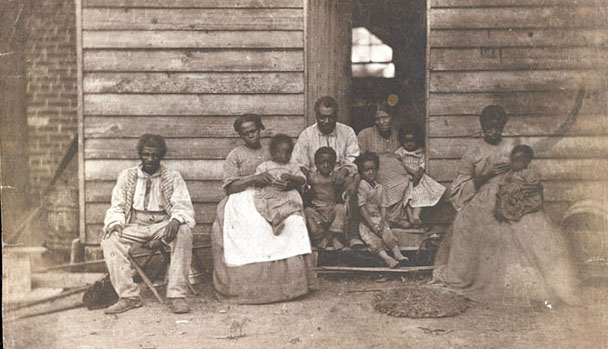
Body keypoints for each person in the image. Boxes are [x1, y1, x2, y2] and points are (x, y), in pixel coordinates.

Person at [432, 105, 581, 306]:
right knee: (468, 226)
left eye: (498, 127)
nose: (493, 132)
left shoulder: (513, 147)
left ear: (503, 126)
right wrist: (486, 174)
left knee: (531, 229)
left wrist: (518, 178)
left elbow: (528, 173)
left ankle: (532, 286)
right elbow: (459, 188)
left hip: (513, 195)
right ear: (482, 126)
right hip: (483, 197)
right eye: (489, 128)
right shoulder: (473, 153)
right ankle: (469, 277)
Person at [212, 114, 316, 304]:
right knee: (254, 224)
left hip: (275, 195)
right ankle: (251, 289)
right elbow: (229, 187)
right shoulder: (235, 155)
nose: (251, 136)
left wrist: (287, 184)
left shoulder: (273, 151)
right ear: (241, 136)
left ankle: (292, 286)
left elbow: (290, 171)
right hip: (243, 197)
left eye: (253, 131)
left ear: (260, 129)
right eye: (245, 134)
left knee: (294, 222)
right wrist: (253, 179)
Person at [101, 134, 195, 314]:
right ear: (140, 155)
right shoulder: (127, 176)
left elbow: (182, 204)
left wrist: (176, 220)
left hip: (162, 223)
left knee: (184, 231)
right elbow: (118, 206)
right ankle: (129, 296)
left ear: (162, 156)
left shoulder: (172, 177)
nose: (150, 159)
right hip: (135, 223)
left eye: (155, 155)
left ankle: (177, 295)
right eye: (146, 155)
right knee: (109, 239)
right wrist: (115, 223)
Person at [292, 96, 364, 248]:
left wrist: (343, 171)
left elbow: (353, 159)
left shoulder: (347, 132)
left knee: (356, 187)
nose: (326, 121)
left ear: (336, 115)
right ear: (316, 115)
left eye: (330, 117)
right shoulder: (307, 135)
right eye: (322, 117)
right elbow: (299, 163)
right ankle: (313, 237)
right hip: (315, 181)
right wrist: (308, 178)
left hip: (339, 178)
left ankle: (352, 234)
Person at [357, 102, 412, 228]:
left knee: (405, 180)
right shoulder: (365, 134)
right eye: (377, 118)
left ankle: (396, 217)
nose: (381, 122)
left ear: (391, 117)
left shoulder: (398, 135)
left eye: (385, 117)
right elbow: (360, 158)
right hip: (375, 171)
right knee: (386, 180)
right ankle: (389, 218)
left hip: (397, 171)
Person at [356, 152, 409, 268]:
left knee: (387, 233)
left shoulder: (379, 187)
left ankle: (398, 254)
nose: (371, 172)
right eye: (366, 170)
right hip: (366, 222)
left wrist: (382, 221)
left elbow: (383, 206)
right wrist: (372, 226)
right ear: (361, 172)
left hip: (378, 219)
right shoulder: (362, 186)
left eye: (373, 169)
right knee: (373, 239)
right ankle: (387, 259)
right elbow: (362, 208)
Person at [253, 134, 306, 236]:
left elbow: (302, 179)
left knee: (295, 206)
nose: (285, 156)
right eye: (281, 153)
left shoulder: (292, 166)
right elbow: (257, 179)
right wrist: (264, 179)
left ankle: (280, 219)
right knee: (268, 206)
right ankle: (275, 222)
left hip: (288, 194)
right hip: (271, 193)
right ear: (273, 153)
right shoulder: (265, 166)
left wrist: (292, 177)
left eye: (288, 153)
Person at [395, 123, 446, 226]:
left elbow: (423, 164)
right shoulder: (400, 152)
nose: (409, 144)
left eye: (412, 141)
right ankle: (410, 217)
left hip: (418, 179)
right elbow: (398, 164)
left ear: (417, 140)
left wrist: (419, 173)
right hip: (406, 177)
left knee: (420, 194)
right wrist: (409, 172)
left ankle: (415, 216)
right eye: (406, 141)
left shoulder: (420, 151)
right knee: (405, 196)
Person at [303, 147, 347, 251]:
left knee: (341, 208)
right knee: (308, 212)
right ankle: (326, 238)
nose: (326, 165)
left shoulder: (337, 176)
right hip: (318, 211)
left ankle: (329, 237)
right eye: (322, 162)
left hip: (331, 209)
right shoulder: (312, 177)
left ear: (334, 163)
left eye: (330, 162)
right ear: (316, 163)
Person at [494, 145, 543, 222]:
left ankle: (515, 214)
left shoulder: (529, 173)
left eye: (517, 161)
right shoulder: (510, 171)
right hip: (510, 196)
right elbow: (503, 182)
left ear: (527, 161)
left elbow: (532, 187)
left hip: (524, 197)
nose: (513, 164)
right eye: (512, 161)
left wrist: (519, 188)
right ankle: (505, 213)